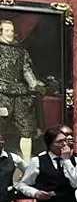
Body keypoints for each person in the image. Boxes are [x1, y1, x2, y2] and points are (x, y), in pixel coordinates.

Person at [0, 18, 46, 160]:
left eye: (12, 30)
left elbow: (26, 70)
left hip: (19, 94)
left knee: (27, 128)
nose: (10, 33)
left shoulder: (21, 51)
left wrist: (34, 84)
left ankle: (26, 165)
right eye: (7, 30)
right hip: (1, 93)